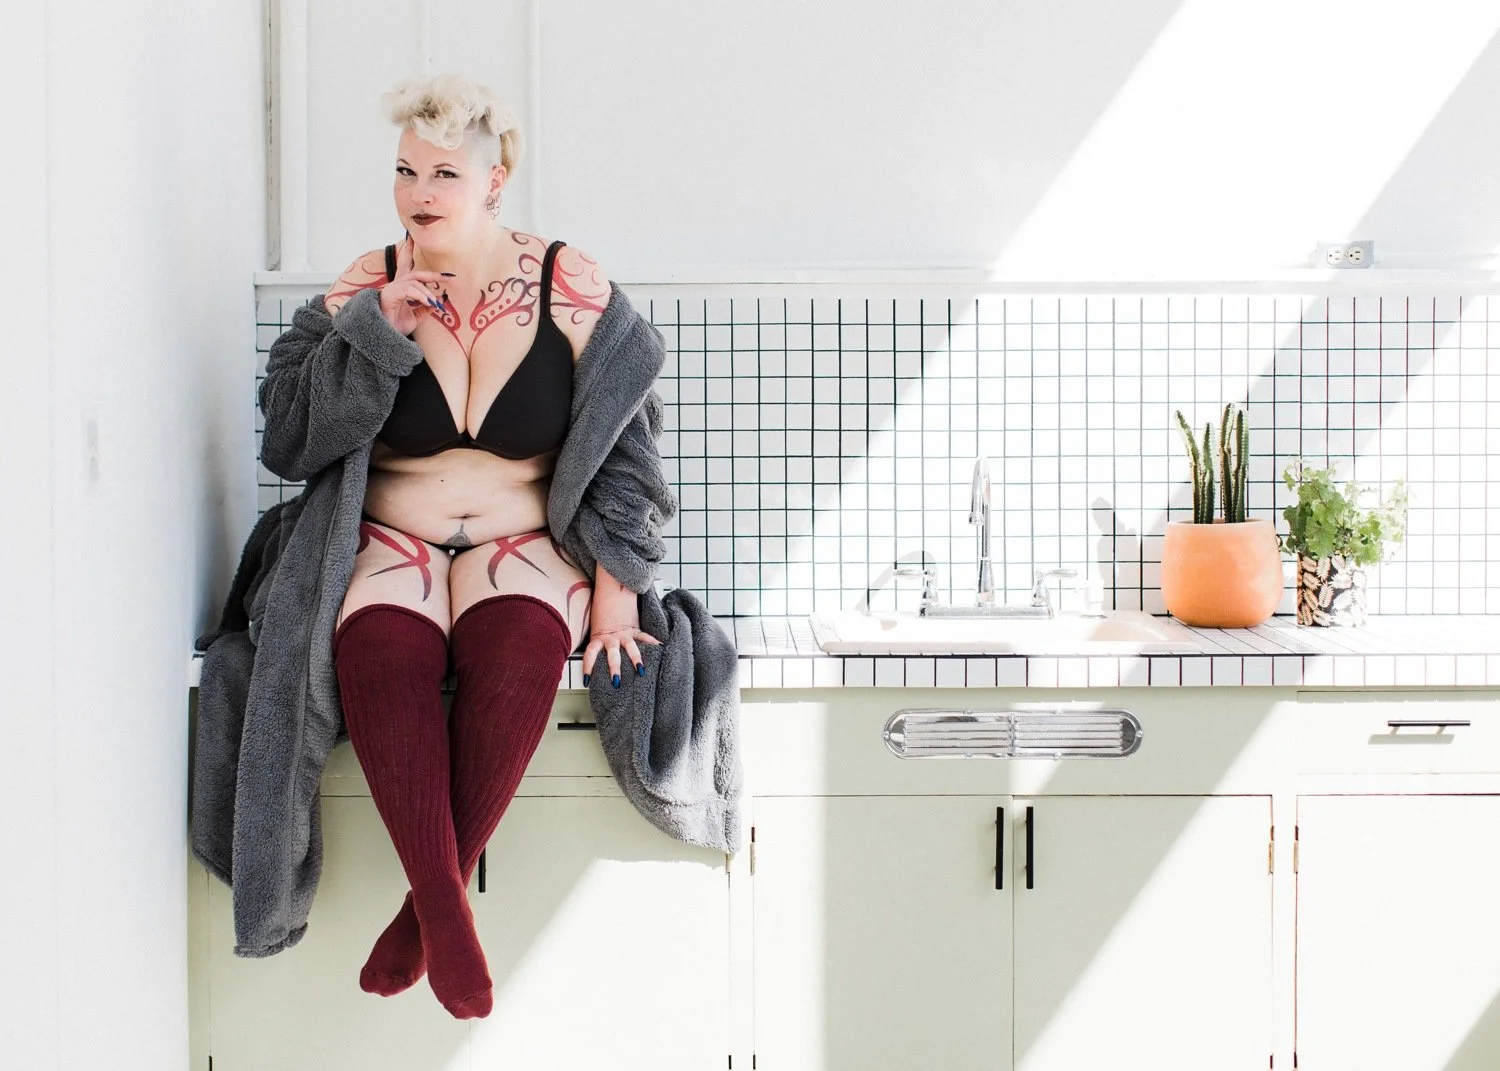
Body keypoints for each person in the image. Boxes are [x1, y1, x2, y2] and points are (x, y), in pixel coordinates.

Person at [267, 73, 660, 1019]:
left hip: (521, 539)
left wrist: (616, 592)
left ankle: (421, 918)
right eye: (405, 170)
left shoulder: (570, 285)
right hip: (390, 537)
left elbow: (628, 452)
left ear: (496, 179)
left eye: (444, 172)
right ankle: (448, 911)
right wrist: (375, 334)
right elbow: (288, 438)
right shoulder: (363, 285)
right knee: (378, 650)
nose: (419, 192)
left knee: (520, 650)